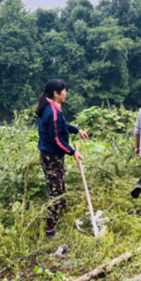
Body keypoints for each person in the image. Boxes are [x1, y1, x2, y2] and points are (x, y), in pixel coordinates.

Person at [36, 79, 89, 238]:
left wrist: (77, 129)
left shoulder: (52, 107)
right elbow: (56, 139)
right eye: (64, 91)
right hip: (51, 157)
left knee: (57, 187)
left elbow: (63, 125)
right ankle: (49, 229)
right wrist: (73, 152)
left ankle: (55, 218)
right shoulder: (52, 112)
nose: (66, 93)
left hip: (51, 155)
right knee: (56, 192)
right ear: (56, 94)